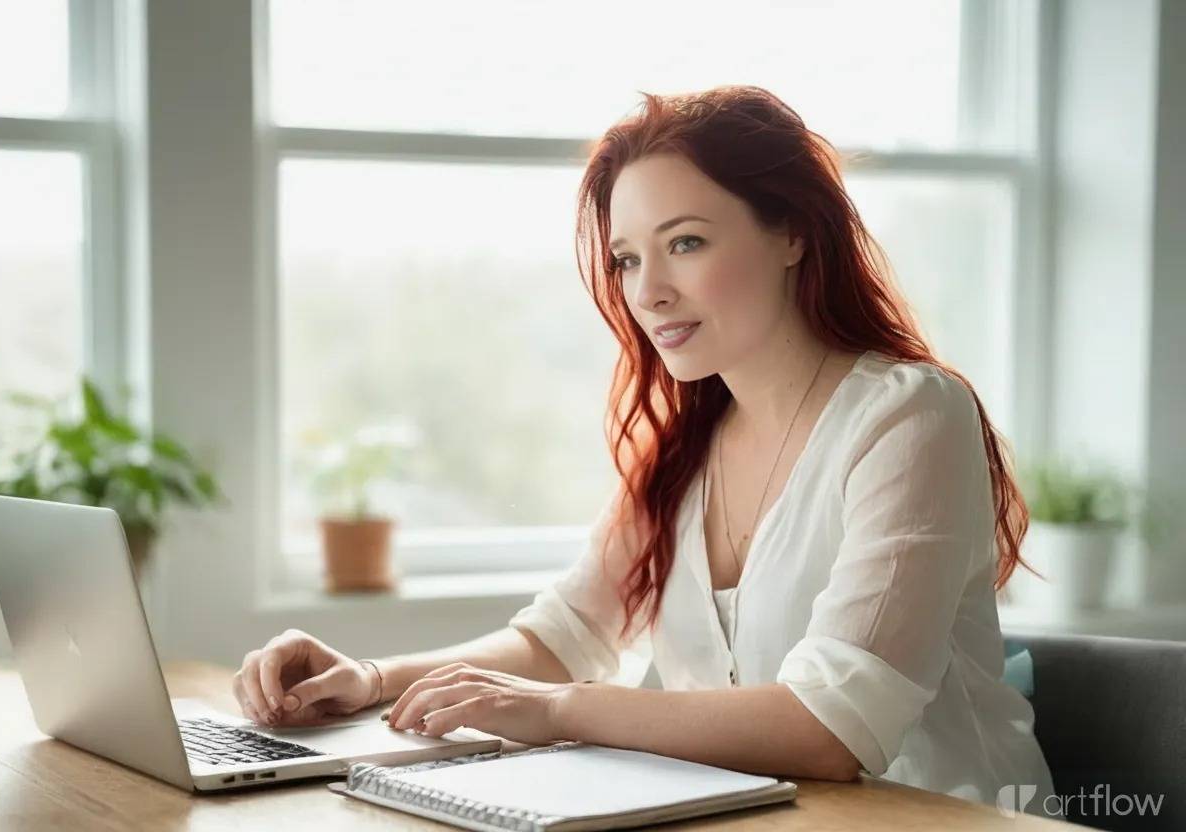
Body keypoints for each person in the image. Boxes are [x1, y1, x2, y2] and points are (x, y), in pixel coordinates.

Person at [233, 85, 1056, 813]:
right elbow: (561, 638)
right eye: (628, 258)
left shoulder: (909, 416)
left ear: (793, 234)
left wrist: (557, 710)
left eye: (686, 242)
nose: (648, 290)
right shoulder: (684, 444)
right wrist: (369, 682)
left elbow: (831, 730)